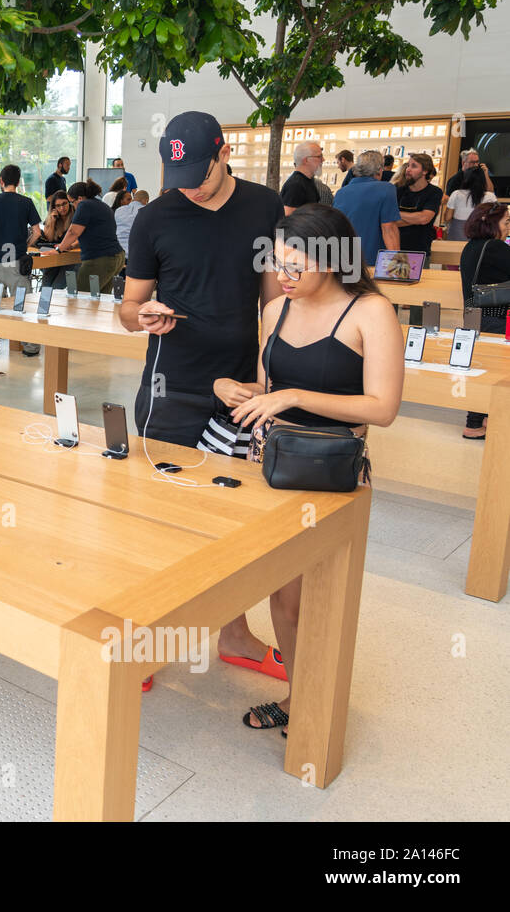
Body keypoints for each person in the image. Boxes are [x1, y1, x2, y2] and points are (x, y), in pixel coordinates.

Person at [214, 203, 402, 735]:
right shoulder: (276, 311)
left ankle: (314, 704)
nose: (283, 276)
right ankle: (300, 696)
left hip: (331, 472)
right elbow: (271, 393)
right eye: (277, 264)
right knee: (282, 592)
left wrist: (295, 394)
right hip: (272, 465)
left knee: (317, 595)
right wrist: (237, 390)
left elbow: (382, 408)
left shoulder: (371, 313)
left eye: (296, 265)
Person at [120, 111, 288, 675]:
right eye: (179, 175)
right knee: (158, 517)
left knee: (233, 521)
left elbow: (273, 298)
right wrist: (142, 315)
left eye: (199, 171)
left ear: (223, 152)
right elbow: (128, 306)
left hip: (240, 387)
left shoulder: (264, 206)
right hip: (171, 385)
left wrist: (272, 376)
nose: (190, 184)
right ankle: (143, 644)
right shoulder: (154, 217)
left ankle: (233, 635)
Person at [0, 164, 41, 357]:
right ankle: (30, 346)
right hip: (17, 262)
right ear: (18, 180)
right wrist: (24, 243)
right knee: (22, 305)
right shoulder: (26, 202)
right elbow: (37, 232)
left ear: (1, 181)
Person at [458, 202, 510, 438]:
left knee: (480, 368)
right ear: (492, 225)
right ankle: (478, 422)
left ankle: (477, 421)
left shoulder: (470, 247)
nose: (509, 227)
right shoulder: (497, 247)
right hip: (495, 317)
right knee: (494, 371)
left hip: (473, 314)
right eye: (506, 223)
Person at [55, 181, 125, 295]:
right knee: (99, 299)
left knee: (78, 298)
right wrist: (72, 245)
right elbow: (94, 233)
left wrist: (58, 249)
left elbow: (73, 232)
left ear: (80, 198)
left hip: (100, 258)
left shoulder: (84, 205)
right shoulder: (101, 205)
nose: (73, 206)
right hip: (116, 257)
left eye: (72, 202)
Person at [333, 150, 400, 267]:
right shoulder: (386, 189)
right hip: (373, 260)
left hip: (344, 260)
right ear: (380, 170)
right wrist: (397, 264)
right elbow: (389, 229)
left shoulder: (341, 193)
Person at [394, 153, 442, 256]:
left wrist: (395, 213)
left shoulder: (434, 192)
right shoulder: (398, 190)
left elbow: (424, 218)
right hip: (395, 250)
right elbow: (390, 221)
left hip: (420, 251)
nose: (408, 169)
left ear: (425, 171)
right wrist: (416, 218)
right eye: (408, 165)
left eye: (414, 166)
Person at [442, 165, 496, 241]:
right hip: (481, 236)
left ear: (465, 179)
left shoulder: (456, 194)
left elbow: (447, 218)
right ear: (483, 180)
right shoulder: (490, 196)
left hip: (457, 235)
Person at [280, 141, 324, 215]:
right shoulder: (295, 185)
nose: (323, 160)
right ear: (306, 160)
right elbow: (287, 218)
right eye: (319, 156)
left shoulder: (308, 181)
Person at [115, 189, 149, 259]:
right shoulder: (146, 210)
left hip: (118, 252)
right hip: (136, 253)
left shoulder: (119, 210)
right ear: (146, 200)